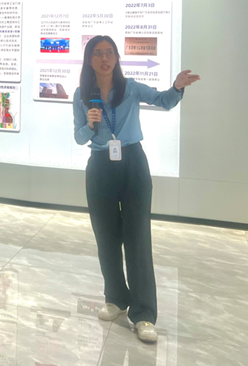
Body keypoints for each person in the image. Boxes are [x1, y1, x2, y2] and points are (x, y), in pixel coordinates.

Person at [73, 35, 200, 344]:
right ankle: (116, 298)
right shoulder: (82, 94)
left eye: (109, 53)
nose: (105, 58)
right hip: (100, 165)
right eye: (98, 53)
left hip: (132, 163)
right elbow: (78, 137)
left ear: (117, 58)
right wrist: (90, 125)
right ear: (89, 60)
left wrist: (177, 86)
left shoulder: (130, 88)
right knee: (106, 237)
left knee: (137, 237)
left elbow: (164, 100)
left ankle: (144, 314)